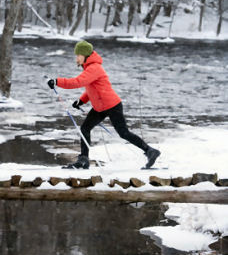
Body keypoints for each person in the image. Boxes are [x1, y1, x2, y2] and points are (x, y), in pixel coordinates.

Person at [47, 40, 160, 169]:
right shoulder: (89, 68)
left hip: (112, 106)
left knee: (123, 133)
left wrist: (57, 81)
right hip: (100, 108)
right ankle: (83, 159)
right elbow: (92, 89)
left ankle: (150, 151)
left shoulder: (94, 68)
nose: (76, 58)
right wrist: (81, 101)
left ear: (85, 55)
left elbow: (78, 82)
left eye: (78, 55)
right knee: (85, 129)